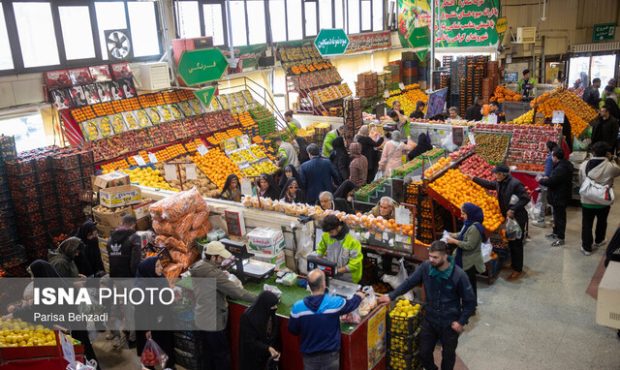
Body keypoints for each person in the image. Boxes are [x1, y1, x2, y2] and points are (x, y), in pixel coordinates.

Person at [378, 241, 476, 370]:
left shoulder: (459, 275)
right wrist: (391, 296)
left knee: (448, 356)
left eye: (435, 257)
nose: (431, 260)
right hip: (430, 319)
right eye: (430, 256)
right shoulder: (426, 267)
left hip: (449, 324)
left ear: (445, 256)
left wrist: (461, 322)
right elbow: (409, 282)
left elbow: (470, 302)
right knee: (423, 353)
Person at [190, 241, 257, 370]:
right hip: (213, 321)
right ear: (213, 257)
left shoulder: (199, 266)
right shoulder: (213, 274)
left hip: (200, 318)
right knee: (221, 355)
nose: (223, 259)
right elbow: (238, 293)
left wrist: (220, 270)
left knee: (206, 355)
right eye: (220, 257)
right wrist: (260, 298)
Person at [288, 269, 365, 370]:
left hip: (309, 357)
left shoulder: (297, 308)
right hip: (330, 356)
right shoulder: (334, 303)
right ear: (324, 284)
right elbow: (351, 304)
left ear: (309, 285)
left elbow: (293, 330)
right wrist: (359, 296)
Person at [474, 165, 530, 280]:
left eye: (496, 173)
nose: (494, 175)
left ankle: (517, 269)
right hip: (509, 218)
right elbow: (489, 185)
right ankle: (514, 264)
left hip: (517, 218)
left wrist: (513, 209)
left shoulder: (515, 184)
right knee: (511, 241)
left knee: (516, 243)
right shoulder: (500, 182)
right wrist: (474, 178)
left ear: (502, 174)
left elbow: (526, 198)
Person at [579, 142, 620, 256]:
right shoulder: (611, 167)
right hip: (603, 200)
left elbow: (581, 180)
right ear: (607, 153)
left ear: (593, 152)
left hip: (587, 200)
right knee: (602, 221)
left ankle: (586, 248)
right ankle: (599, 240)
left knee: (586, 224)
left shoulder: (584, 164)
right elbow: (618, 171)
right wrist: (611, 159)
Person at [135, 257, 176, 370]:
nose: (161, 268)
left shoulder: (160, 278)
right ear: (148, 269)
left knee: (166, 344)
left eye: (160, 265)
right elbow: (141, 311)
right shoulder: (140, 288)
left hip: (163, 319)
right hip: (150, 323)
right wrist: (147, 329)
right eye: (157, 266)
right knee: (151, 349)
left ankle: (168, 366)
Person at [446, 203, 486, 302]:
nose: (461, 216)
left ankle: (471, 307)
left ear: (471, 214)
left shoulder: (475, 228)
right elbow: (462, 234)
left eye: (463, 214)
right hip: (463, 258)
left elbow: (469, 245)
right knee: (464, 284)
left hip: (469, 262)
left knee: (469, 286)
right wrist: (452, 234)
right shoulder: (468, 223)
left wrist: (454, 241)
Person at [538, 148, 573, 247]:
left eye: (552, 156)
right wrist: (550, 178)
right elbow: (556, 180)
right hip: (560, 195)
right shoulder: (564, 165)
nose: (551, 158)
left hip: (560, 197)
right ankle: (555, 233)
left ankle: (560, 238)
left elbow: (552, 182)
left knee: (560, 218)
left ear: (555, 157)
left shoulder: (560, 168)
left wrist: (541, 180)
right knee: (556, 217)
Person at [239, 291, 281, 370]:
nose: (275, 307)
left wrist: (276, 350)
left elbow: (275, 334)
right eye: (273, 305)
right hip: (252, 358)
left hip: (267, 357)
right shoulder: (248, 317)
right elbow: (249, 340)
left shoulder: (270, 313)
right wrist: (267, 348)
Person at [316, 215, 363, 283]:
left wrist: (337, 271)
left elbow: (355, 263)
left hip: (349, 277)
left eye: (331, 232)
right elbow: (321, 248)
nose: (329, 235)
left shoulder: (352, 239)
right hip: (333, 274)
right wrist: (317, 258)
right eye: (328, 232)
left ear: (338, 227)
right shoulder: (327, 234)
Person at [533, 141, 559, 228]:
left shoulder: (549, 158)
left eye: (546, 146)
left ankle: (541, 221)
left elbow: (547, 173)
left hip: (547, 183)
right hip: (554, 183)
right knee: (552, 202)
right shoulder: (556, 157)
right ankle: (554, 220)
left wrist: (541, 177)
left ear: (548, 148)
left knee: (542, 201)